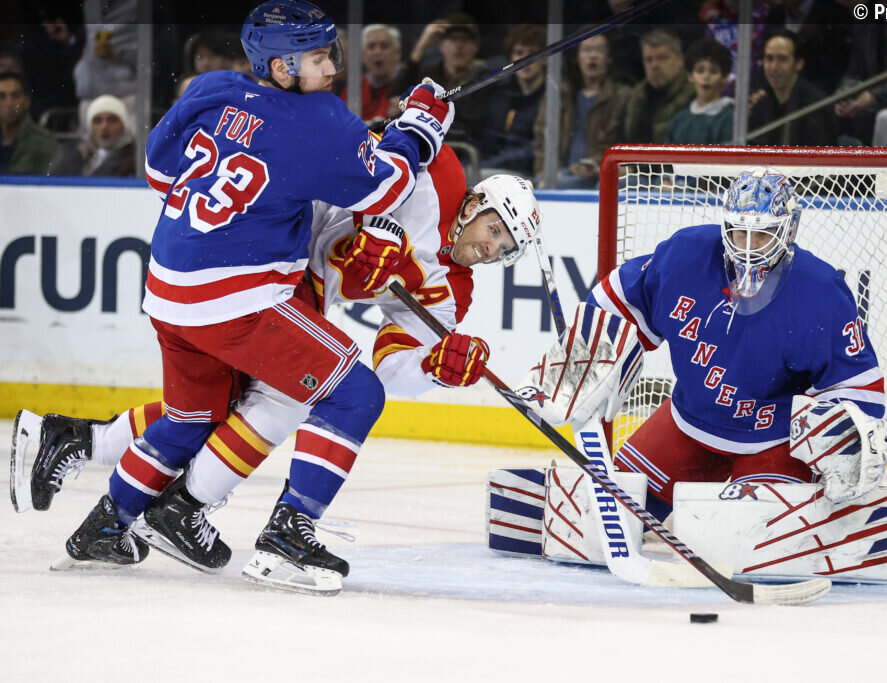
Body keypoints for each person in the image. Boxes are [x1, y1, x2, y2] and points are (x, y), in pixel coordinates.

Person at [13, 151, 542, 595]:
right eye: (494, 229)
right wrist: (410, 137)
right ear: (473, 204)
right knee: (295, 398)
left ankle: (86, 459)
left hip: (293, 282)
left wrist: (435, 369)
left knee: (214, 408)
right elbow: (364, 151)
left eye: (505, 249)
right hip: (279, 247)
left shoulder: (454, 290)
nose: (490, 248)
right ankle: (201, 511)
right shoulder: (437, 171)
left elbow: (395, 369)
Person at [51, 0, 454, 577]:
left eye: (332, 53)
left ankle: (107, 526)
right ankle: (290, 530)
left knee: (192, 416)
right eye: (319, 57)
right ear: (283, 67)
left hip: (166, 289)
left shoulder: (211, 88)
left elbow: (160, 174)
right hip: (237, 301)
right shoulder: (316, 119)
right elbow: (387, 188)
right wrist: (419, 128)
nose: (332, 68)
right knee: (355, 394)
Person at [583, 168, 887, 519]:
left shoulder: (819, 291)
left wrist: (844, 446)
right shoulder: (686, 255)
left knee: (748, 536)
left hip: (775, 440)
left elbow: (857, 385)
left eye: (762, 234)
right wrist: (583, 359)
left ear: (788, 230)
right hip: (690, 421)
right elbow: (617, 301)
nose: (748, 246)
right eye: (740, 232)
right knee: (613, 514)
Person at [531, 33, 629, 189]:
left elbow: (613, 146)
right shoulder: (559, 94)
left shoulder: (621, 96)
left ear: (609, 58)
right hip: (559, 174)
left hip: (594, 175)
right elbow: (542, 140)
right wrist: (544, 174)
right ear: (577, 57)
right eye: (587, 50)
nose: (593, 56)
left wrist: (571, 172)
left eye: (599, 50)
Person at [392, 13, 489, 147]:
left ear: (475, 46)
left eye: (465, 40)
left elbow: (473, 125)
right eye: (452, 39)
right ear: (441, 45)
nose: (459, 45)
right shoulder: (428, 75)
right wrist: (421, 46)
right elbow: (394, 94)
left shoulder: (485, 79)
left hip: (464, 151)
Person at [478, 24, 546, 176]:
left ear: (545, 60)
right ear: (510, 58)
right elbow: (489, 140)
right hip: (494, 170)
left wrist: (486, 166)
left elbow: (537, 148)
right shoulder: (502, 95)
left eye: (532, 53)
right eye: (519, 53)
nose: (526, 59)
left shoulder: (552, 97)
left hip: (530, 173)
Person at [748, 30, 836, 147]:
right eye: (769, 58)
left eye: (782, 59)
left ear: (799, 63)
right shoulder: (760, 106)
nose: (774, 67)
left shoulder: (817, 106)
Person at [620, 28, 693, 144]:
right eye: (648, 60)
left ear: (680, 60)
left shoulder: (694, 94)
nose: (654, 65)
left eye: (662, 58)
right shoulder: (635, 97)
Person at [665, 38, 734, 145]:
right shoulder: (678, 120)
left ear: (724, 77)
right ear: (690, 76)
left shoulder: (730, 118)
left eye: (713, 71)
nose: (706, 77)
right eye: (700, 71)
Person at [52, 94, 135, 177]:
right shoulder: (79, 153)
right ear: (90, 127)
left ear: (123, 126)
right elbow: (55, 178)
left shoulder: (134, 157)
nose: (104, 127)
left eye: (111, 120)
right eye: (98, 121)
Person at [340, 24, 405, 125]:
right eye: (371, 47)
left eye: (384, 46)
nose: (377, 52)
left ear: (397, 53)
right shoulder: (354, 88)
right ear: (362, 55)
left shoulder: (409, 85)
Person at [0, 71, 61, 175]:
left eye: (15, 96)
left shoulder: (45, 143)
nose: (9, 104)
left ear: (27, 101)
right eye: (1, 97)